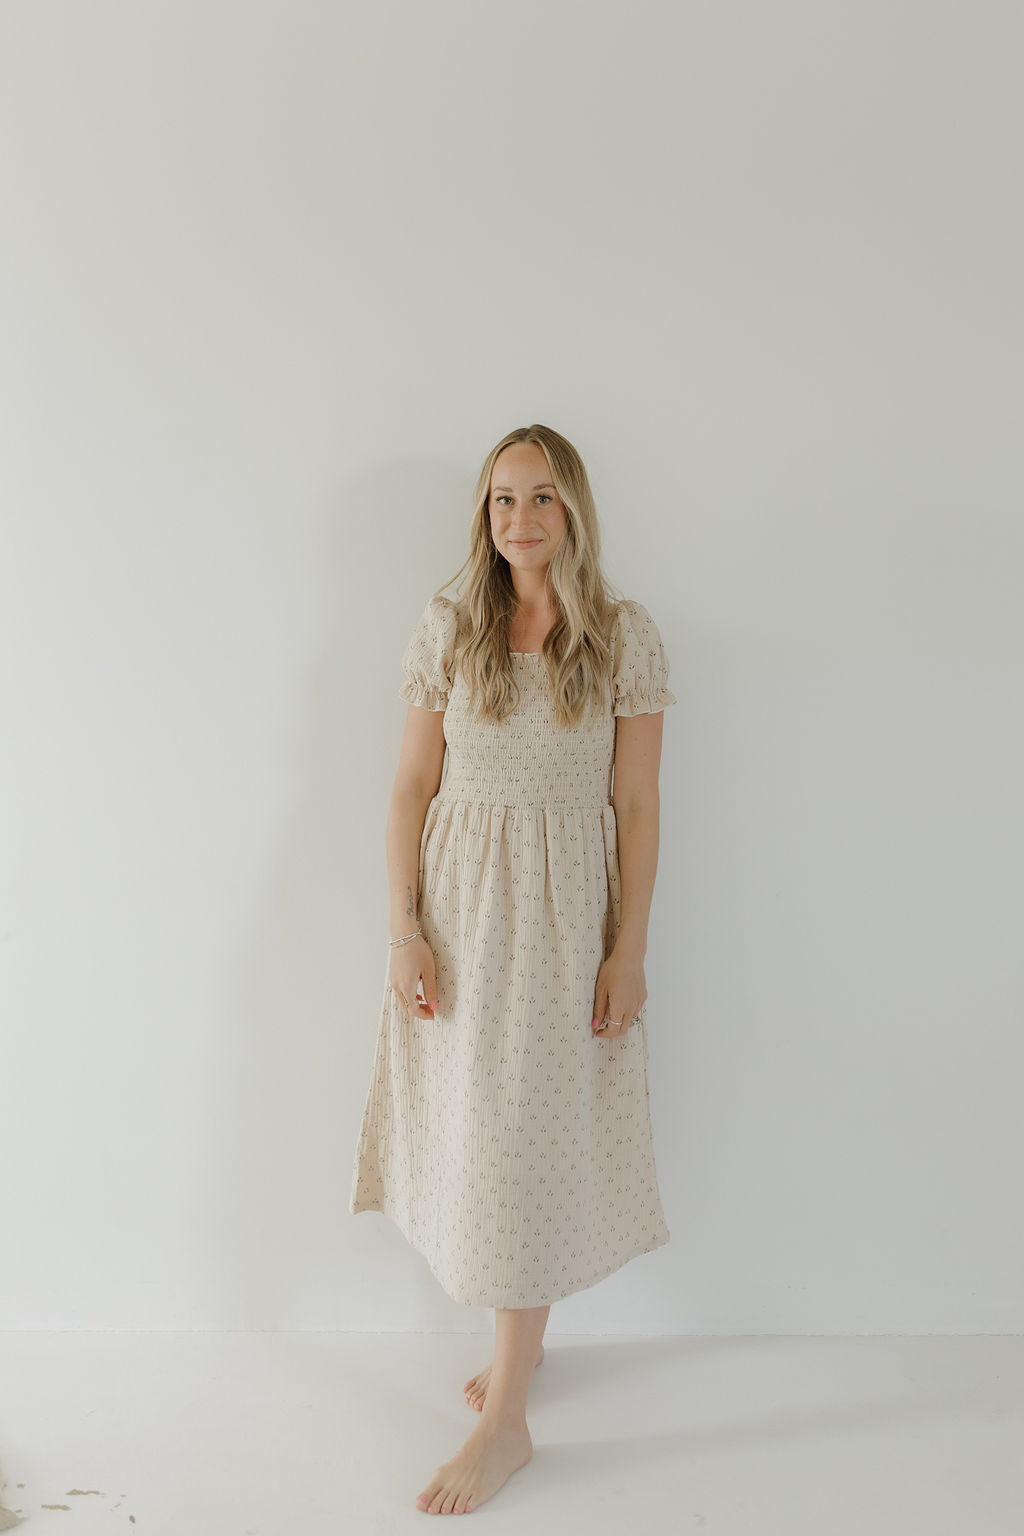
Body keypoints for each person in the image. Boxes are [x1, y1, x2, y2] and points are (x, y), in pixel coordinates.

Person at [349, 423, 677, 1514]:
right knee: (474, 1143)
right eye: (501, 502)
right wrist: (405, 930)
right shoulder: (452, 628)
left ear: (572, 511)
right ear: (483, 518)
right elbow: (408, 789)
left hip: (564, 923)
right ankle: (516, 1352)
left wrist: (628, 949)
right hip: (460, 914)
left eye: (540, 499)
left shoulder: (622, 638)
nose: (519, 521)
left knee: (527, 1152)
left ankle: (506, 1419)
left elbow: (634, 804)